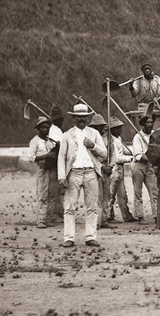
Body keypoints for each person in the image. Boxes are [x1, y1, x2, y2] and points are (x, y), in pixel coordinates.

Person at [57, 103, 108, 247]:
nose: (81, 120)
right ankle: (69, 238)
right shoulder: (67, 135)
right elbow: (61, 157)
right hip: (74, 173)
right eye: (78, 117)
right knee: (70, 206)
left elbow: (104, 154)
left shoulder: (94, 134)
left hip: (91, 172)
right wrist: (61, 176)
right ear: (73, 118)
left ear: (87, 118)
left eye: (84, 117)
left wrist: (93, 146)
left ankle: (90, 237)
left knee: (92, 206)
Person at [27, 117, 59, 228]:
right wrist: (46, 156)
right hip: (42, 169)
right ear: (38, 129)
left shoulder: (51, 141)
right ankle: (41, 219)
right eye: (43, 127)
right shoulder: (34, 141)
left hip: (53, 169)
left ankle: (49, 218)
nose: (45, 129)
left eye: (47, 127)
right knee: (42, 194)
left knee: (52, 194)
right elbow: (31, 158)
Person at [131, 115, 160, 223]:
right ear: (143, 124)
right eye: (147, 122)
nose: (150, 124)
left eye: (151, 122)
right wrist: (150, 158)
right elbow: (138, 154)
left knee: (154, 191)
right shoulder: (137, 137)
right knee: (138, 192)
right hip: (139, 166)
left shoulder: (154, 135)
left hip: (150, 166)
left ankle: (157, 216)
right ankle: (140, 216)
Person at [107, 117, 136, 223]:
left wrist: (134, 151)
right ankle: (108, 215)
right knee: (111, 194)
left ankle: (126, 214)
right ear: (112, 129)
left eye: (120, 128)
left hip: (120, 170)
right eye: (117, 128)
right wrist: (130, 158)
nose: (120, 130)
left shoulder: (118, 139)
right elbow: (117, 158)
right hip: (114, 169)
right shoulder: (111, 141)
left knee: (122, 194)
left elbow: (125, 150)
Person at [90, 114, 115, 229]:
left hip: (107, 169)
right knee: (97, 196)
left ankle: (104, 219)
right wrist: (100, 167)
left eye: (101, 126)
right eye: (98, 126)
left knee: (107, 195)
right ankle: (96, 221)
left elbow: (112, 154)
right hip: (96, 169)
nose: (100, 128)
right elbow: (90, 157)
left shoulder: (109, 138)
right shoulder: (90, 139)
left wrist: (110, 166)